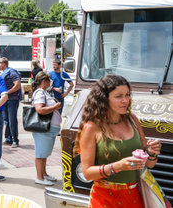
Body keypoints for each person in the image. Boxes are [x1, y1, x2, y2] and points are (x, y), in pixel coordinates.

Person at [75, 75, 161, 207]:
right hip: (104, 199)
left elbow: (149, 164)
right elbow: (87, 173)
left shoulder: (132, 119)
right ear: (104, 99)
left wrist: (152, 152)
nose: (125, 100)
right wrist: (118, 166)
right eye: (118, 96)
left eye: (127, 95)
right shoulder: (91, 127)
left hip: (134, 197)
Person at [30, 71, 62, 186]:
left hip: (48, 129)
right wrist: (55, 107)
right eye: (49, 81)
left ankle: (43, 173)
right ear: (44, 81)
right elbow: (40, 109)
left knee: (44, 153)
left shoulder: (43, 92)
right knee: (41, 153)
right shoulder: (40, 93)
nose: (50, 83)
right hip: (43, 129)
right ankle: (39, 177)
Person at [0, 57, 22, 148]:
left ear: (3, 64)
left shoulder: (12, 72)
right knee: (6, 120)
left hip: (12, 99)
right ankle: (8, 138)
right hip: (6, 99)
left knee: (12, 120)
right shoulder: (4, 72)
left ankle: (15, 140)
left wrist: (7, 92)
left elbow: (17, 85)